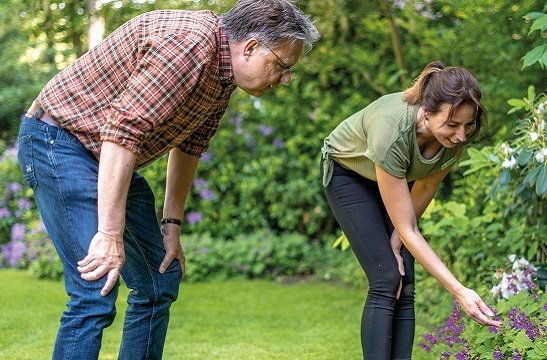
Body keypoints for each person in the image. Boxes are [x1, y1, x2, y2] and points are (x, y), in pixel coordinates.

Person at [17, 1, 319, 359]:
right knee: (95, 285)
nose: (285, 79)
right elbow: (121, 131)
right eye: (282, 66)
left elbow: (190, 146)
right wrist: (110, 234)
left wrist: (171, 226)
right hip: (59, 142)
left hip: (104, 157)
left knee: (158, 280)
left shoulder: (222, 73)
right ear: (251, 47)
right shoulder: (188, 46)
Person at [321, 61, 502, 359]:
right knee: (387, 277)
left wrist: (396, 240)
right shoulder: (391, 128)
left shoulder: (455, 137)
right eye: (453, 125)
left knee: (406, 283)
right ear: (427, 111)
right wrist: (459, 291)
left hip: (394, 181)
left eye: (467, 126)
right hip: (348, 175)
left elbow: (425, 188)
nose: (461, 136)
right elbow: (409, 228)